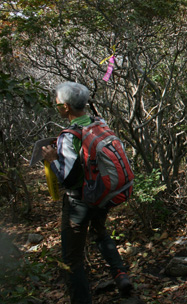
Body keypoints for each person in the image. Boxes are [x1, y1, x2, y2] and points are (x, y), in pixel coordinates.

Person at [41, 82, 133, 303]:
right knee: (100, 232)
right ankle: (120, 275)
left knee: (72, 259)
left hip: (79, 202)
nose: (57, 106)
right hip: (102, 194)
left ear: (66, 107)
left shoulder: (68, 136)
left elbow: (68, 179)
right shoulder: (98, 122)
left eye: (58, 104)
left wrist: (52, 159)